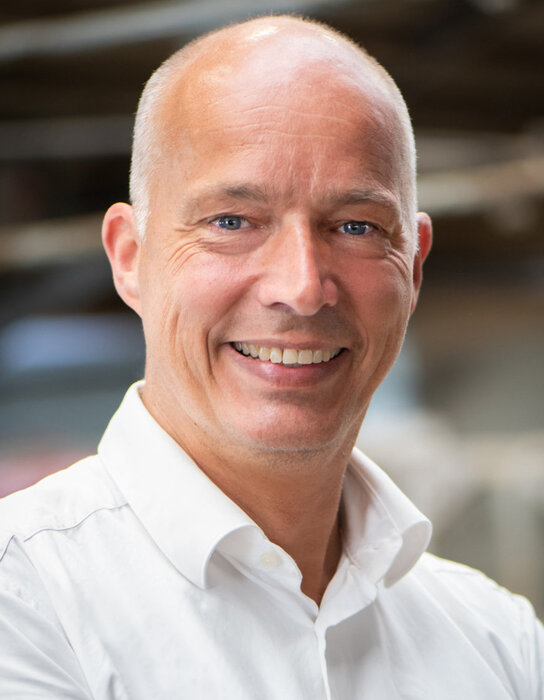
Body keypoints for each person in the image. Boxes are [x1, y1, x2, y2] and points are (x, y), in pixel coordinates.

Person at [0, 14, 541, 699]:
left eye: (356, 226)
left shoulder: (499, 641)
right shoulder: (24, 600)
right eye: (232, 222)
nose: (302, 287)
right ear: (130, 257)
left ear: (414, 266)